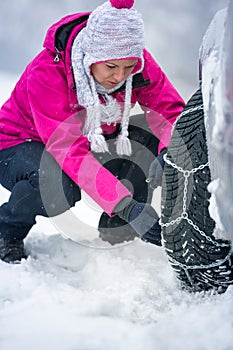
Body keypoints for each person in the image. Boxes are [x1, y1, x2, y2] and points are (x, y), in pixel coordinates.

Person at [0, 0, 185, 263]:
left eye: (128, 68)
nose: (120, 76)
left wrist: (169, 152)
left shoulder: (135, 63)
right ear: (91, 57)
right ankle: (6, 232)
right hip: (20, 142)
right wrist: (126, 206)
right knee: (55, 182)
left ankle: (116, 235)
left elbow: (169, 111)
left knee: (149, 142)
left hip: (92, 136)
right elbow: (68, 150)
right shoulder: (48, 72)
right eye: (111, 67)